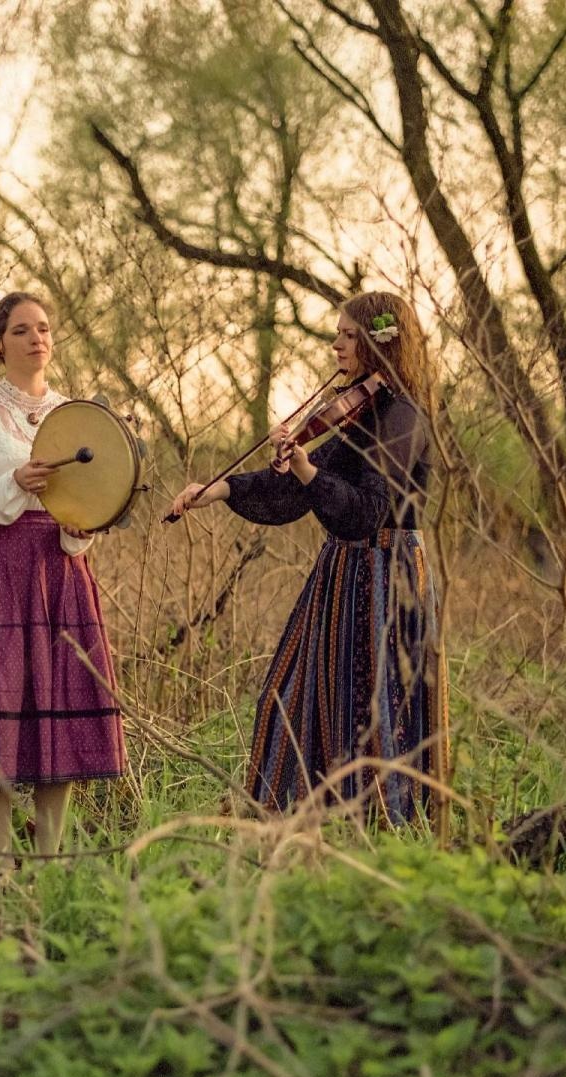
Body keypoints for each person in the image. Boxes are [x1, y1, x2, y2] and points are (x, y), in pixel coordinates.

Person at [170, 291, 448, 823]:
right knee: (292, 695)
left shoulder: (403, 416)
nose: (336, 344)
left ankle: (380, 825)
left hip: (386, 576)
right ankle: (295, 815)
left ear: (376, 341)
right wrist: (219, 489)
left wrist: (306, 470)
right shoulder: (360, 410)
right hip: (344, 573)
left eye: (347, 335)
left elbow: (367, 511)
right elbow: (294, 492)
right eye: (338, 334)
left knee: (375, 709)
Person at [0, 291, 127, 873]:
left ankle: (50, 859)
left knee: (57, 703)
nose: (37, 338)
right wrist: (14, 482)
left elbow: (96, 498)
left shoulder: (78, 415)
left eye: (43, 328)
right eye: (21, 330)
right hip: (2, 570)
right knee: (0, 699)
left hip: (64, 571)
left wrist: (81, 528)